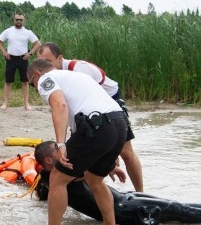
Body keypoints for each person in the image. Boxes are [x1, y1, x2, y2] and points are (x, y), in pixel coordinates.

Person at [33, 142, 201, 225]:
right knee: (178, 211)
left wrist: (110, 168)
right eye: (59, 152)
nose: (66, 153)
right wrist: (109, 166)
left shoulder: (63, 174)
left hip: (125, 199)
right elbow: (85, 171)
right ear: (49, 161)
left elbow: (87, 172)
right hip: (124, 212)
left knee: (174, 203)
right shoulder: (57, 180)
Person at [27, 58, 127, 225]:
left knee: (57, 178)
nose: (38, 90)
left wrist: (60, 144)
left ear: (36, 74)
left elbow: (60, 105)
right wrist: (109, 164)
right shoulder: (75, 78)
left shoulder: (45, 79)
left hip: (98, 125)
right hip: (119, 124)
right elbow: (83, 132)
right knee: (94, 178)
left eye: (33, 85)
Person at [38, 42, 145, 192]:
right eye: (41, 62)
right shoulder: (53, 77)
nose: (43, 67)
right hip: (90, 113)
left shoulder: (78, 69)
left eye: (48, 61)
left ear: (60, 59)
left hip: (110, 103)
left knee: (126, 152)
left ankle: (141, 193)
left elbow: (92, 101)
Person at [0, 11, 40, 110]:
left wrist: (30, 53)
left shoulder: (27, 32)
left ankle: (26, 103)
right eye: (17, 19)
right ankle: (5, 103)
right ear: (14, 20)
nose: (19, 21)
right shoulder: (8, 31)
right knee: (8, 81)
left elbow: (38, 43)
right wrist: (4, 52)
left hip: (23, 60)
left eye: (21, 20)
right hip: (10, 59)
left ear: (23, 20)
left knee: (25, 81)